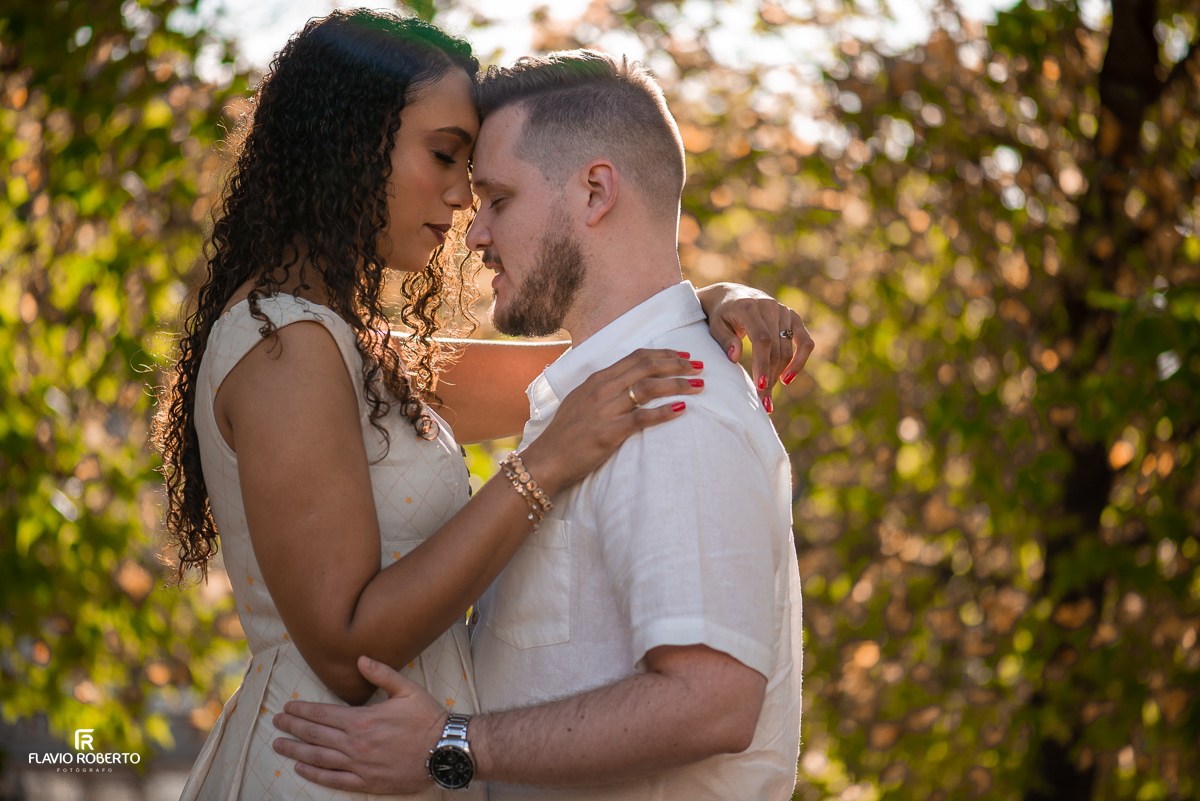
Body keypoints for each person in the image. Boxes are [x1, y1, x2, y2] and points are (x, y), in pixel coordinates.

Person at [154, 11, 811, 801]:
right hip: (331, 765)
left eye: (486, 182)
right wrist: (540, 467)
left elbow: (585, 360)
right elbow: (345, 646)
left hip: (392, 764)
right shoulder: (285, 347)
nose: (465, 206)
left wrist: (705, 299)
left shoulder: (354, 348)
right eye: (446, 157)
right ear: (350, 145)